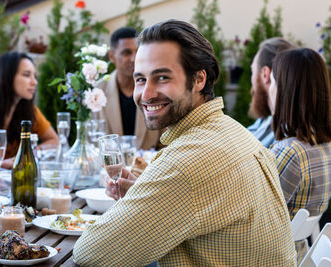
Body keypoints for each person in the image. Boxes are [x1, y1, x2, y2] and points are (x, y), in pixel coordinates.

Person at [73, 20, 296, 266]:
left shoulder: (187, 161)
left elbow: (90, 253)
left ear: (199, 79)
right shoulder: (232, 130)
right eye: (140, 80)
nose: (146, 94)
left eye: (162, 77)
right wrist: (145, 196)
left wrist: (133, 208)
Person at [269, 48, 331, 263]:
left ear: (285, 91)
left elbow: (256, 221)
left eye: (272, 82)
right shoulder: (328, 145)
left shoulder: (289, 153)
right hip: (298, 254)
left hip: (272, 259)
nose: (268, 89)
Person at [96, 27, 162, 150]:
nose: (134, 58)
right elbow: (91, 142)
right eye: (126, 53)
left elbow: (166, 141)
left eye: (137, 51)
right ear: (111, 56)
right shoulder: (97, 92)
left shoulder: (157, 89)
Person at [247, 37, 295, 148]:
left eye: (253, 71)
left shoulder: (285, 136)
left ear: (265, 74)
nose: (252, 79)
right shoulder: (266, 119)